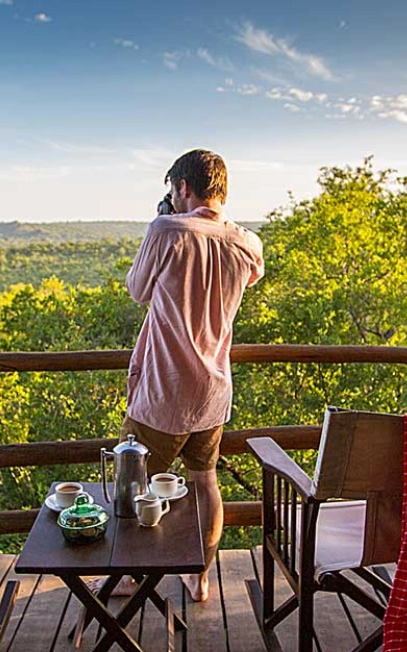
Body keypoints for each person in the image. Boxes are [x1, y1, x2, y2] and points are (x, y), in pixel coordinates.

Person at [121, 149, 264, 602]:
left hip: (164, 390)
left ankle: (127, 575)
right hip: (213, 390)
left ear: (183, 187)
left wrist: (165, 221)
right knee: (205, 482)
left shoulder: (165, 231)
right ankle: (200, 578)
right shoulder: (247, 244)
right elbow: (249, 274)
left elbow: (137, 289)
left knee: (132, 483)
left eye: (172, 192)